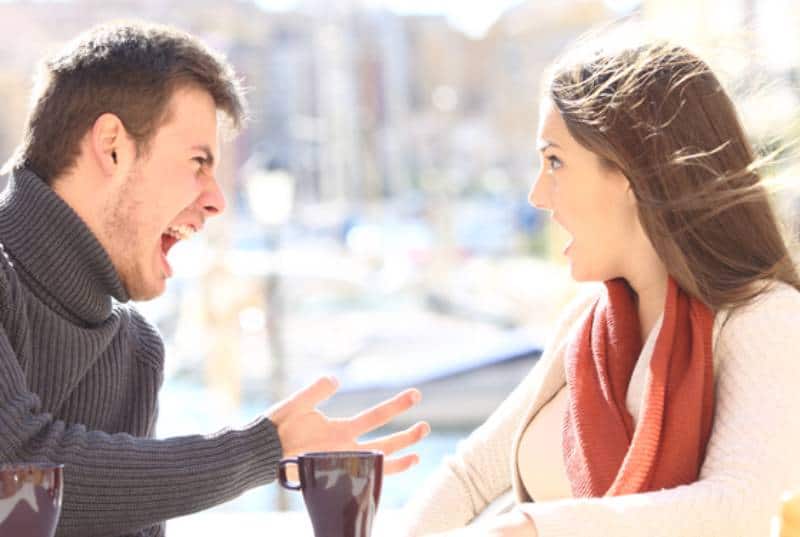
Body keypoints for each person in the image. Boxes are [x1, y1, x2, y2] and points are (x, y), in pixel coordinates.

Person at [0, 22, 430, 537]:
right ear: (112, 145)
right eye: (198, 162)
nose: (217, 201)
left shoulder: (136, 350)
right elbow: (16, 470)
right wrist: (264, 447)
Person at [402, 31, 800, 537]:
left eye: (555, 162)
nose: (537, 195)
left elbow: (742, 507)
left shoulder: (766, 319)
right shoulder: (585, 325)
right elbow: (468, 475)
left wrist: (533, 528)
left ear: (632, 172)